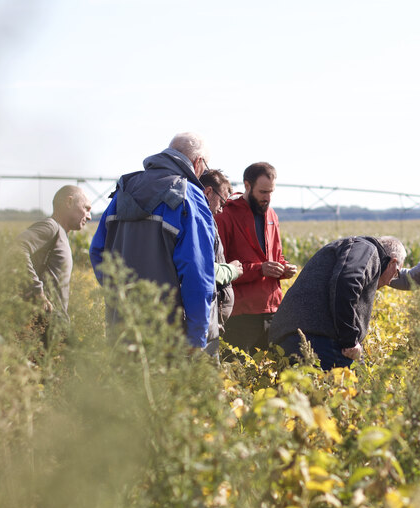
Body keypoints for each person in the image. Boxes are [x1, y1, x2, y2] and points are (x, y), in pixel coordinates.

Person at [89, 132, 216, 350]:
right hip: (167, 334)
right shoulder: (190, 196)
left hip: (120, 328)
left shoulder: (123, 191)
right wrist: (197, 339)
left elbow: (97, 251)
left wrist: (119, 295)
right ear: (198, 162)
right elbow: (197, 273)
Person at [269, 236, 406, 370]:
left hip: (290, 338)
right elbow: (346, 282)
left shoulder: (353, 248)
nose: (390, 282)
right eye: (396, 274)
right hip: (317, 339)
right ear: (392, 262)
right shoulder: (367, 249)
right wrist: (350, 341)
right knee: (356, 386)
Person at [215, 162, 297, 353]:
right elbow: (219, 268)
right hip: (240, 315)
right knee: (236, 375)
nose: (267, 198)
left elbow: (276, 256)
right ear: (247, 185)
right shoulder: (225, 215)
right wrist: (260, 269)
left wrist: (284, 268)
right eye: (262, 192)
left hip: (272, 311)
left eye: (271, 192)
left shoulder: (272, 215)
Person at [18, 185, 92, 319]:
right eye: (86, 208)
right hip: (42, 321)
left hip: (55, 324)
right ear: (69, 202)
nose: (89, 216)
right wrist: (36, 290)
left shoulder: (63, 234)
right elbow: (18, 247)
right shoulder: (51, 227)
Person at [199, 169, 244, 355]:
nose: (222, 209)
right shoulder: (199, 221)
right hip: (204, 323)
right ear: (208, 192)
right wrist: (231, 270)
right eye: (222, 202)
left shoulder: (208, 219)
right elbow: (202, 268)